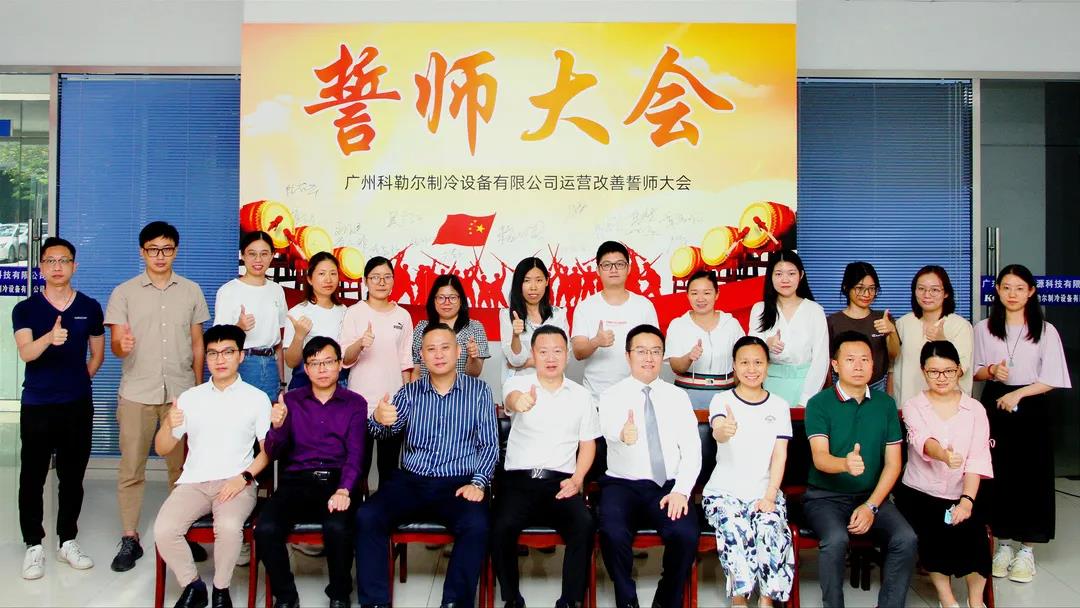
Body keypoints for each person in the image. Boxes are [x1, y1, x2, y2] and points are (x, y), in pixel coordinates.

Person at [355, 323, 499, 608]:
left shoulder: (480, 392)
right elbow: (383, 431)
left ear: (458, 351)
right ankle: (375, 603)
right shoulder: (409, 392)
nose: (439, 354)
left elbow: (489, 445)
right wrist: (379, 419)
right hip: (412, 481)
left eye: (445, 347)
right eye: (431, 349)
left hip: (459, 483)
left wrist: (478, 483)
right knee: (367, 516)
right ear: (421, 355)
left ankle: (455, 602)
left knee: (477, 524)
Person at [104, 220, 210, 572]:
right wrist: (122, 345)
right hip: (137, 392)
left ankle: (181, 532)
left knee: (182, 469)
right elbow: (116, 345)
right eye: (153, 249)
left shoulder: (191, 291)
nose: (160, 256)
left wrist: (199, 389)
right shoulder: (124, 293)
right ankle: (129, 537)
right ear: (142, 252)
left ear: (176, 251)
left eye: (166, 249)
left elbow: (198, 344)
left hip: (180, 394)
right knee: (131, 467)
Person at [151, 324, 271, 608]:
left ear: (241, 355)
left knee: (228, 527)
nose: (220, 359)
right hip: (193, 483)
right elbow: (162, 448)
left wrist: (243, 477)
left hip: (236, 482)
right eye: (213, 353)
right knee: (164, 529)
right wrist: (168, 424)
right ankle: (193, 586)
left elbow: (268, 452)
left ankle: (220, 589)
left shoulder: (256, 398)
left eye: (228, 352)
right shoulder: (191, 398)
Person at [803, 330, 916, 608]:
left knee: (906, 538)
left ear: (873, 364)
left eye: (865, 359)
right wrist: (844, 464)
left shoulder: (885, 404)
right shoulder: (819, 404)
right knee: (836, 539)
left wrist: (871, 506)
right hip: (825, 498)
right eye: (850, 359)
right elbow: (820, 458)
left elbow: (894, 464)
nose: (858, 366)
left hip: (871, 497)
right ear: (835, 365)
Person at [13, 236, 104, 579]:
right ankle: (33, 545)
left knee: (72, 476)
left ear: (73, 266)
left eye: (63, 260)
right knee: (32, 476)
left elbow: (97, 354)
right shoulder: (26, 309)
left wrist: (79, 381)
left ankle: (67, 540)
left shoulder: (90, 307)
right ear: (41, 267)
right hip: (37, 404)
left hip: (77, 405)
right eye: (50, 261)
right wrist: (49, 339)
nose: (57, 267)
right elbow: (26, 353)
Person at [973, 264, 1071, 583]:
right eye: (1006, 287)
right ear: (997, 290)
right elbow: (973, 371)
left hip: (1032, 404)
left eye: (1019, 288)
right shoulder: (983, 328)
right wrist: (991, 371)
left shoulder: (1046, 330)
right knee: (998, 473)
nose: (1012, 294)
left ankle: (1027, 550)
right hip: (995, 403)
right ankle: (1002, 544)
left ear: (1031, 292)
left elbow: (1052, 378)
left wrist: (1018, 393)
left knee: (1032, 475)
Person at [494, 326, 600, 608]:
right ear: (533, 354)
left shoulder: (581, 396)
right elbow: (511, 400)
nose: (550, 358)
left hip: (561, 483)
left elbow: (588, 443)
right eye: (543, 352)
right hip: (519, 481)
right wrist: (520, 402)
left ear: (567, 354)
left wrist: (578, 479)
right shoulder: (518, 384)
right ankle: (512, 598)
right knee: (501, 526)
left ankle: (570, 601)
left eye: (557, 351)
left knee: (584, 524)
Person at [597, 324, 701, 608]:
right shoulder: (611, 395)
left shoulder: (678, 397)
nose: (649, 358)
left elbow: (692, 450)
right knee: (612, 533)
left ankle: (666, 600)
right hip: (622, 484)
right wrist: (623, 434)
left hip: (667, 486)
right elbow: (608, 429)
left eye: (656, 351)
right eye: (641, 351)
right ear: (628, 356)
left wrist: (681, 491)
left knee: (685, 534)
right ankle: (627, 601)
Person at [257, 337, 365, 608]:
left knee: (338, 527)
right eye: (315, 363)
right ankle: (285, 595)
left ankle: (339, 594)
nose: (322, 369)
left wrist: (345, 489)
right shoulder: (291, 401)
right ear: (305, 369)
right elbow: (274, 452)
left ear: (340, 364)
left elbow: (356, 454)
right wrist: (277, 427)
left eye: (328, 362)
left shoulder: (355, 403)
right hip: (296, 481)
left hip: (337, 480)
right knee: (266, 527)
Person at [895, 340, 993, 608]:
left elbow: (977, 459)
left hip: (966, 489)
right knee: (934, 531)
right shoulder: (914, 406)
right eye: (933, 372)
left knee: (974, 533)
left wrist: (967, 501)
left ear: (959, 370)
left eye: (948, 371)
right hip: (921, 491)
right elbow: (922, 441)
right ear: (923, 371)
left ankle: (976, 601)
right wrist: (944, 456)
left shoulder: (975, 409)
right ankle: (946, 597)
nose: (941, 378)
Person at [702, 336, 793, 606]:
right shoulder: (721, 400)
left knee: (770, 526)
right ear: (734, 365)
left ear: (767, 366)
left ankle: (767, 600)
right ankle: (739, 599)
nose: (751, 369)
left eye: (758, 362)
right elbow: (718, 430)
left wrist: (770, 495)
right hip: (723, 493)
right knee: (735, 527)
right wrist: (724, 430)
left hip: (764, 491)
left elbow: (780, 455)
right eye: (744, 363)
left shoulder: (779, 406)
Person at [340, 256, 414, 486]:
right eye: (375, 277)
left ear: (393, 280)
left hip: (392, 404)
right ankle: (354, 507)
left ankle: (385, 508)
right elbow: (345, 358)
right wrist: (360, 343)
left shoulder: (403, 316)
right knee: (358, 466)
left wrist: (406, 400)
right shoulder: (354, 312)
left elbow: (406, 361)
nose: (381, 282)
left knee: (389, 467)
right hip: (360, 403)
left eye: (387, 277)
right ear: (365, 281)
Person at [571, 242, 659, 399]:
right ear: (598, 270)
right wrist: (596, 342)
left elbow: (656, 349)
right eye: (607, 265)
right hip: (596, 397)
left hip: (636, 396)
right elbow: (578, 352)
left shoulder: (644, 306)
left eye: (619, 264)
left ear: (628, 268)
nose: (613, 269)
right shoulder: (585, 307)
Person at [749, 250, 829, 408]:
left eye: (791, 273)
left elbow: (821, 360)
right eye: (778, 274)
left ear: (801, 275)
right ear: (770, 276)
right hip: (767, 386)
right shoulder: (759, 309)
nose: (785, 280)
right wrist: (765, 345)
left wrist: (805, 400)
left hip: (805, 386)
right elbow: (749, 353)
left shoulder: (814, 311)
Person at [214, 231, 287, 401]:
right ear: (242, 255)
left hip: (270, 365)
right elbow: (217, 341)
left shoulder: (276, 290)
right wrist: (238, 328)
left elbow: (278, 342)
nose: (258, 260)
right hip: (242, 364)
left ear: (272, 256)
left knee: (270, 415)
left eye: (264, 254)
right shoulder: (228, 290)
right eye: (252, 254)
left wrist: (282, 382)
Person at [892, 265, 974, 405]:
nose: (927, 294)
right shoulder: (903, 323)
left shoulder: (960, 325)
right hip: (906, 405)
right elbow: (892, 369)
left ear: (946, 293)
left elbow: (961, 370)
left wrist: (942, 342)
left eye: (934, 290)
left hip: (947, 407)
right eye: (921, 289)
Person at [665, 269, 745, 409]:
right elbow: (675, 367)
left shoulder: (731, 324)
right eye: (694, 293)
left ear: (717, 294)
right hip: (687, 394)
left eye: (707, 293)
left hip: (725, 394)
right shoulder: (678, 325)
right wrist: (689, 357)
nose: (700, 298)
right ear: (687, 295)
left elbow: (743, 359)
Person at [825, 261, 898, 393]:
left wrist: (891, 331)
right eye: (860, 288)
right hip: (842, 387)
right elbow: (827, 363)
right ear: (846, 287)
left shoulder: (883, 318)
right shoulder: (833, 322)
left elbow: (894, 355)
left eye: (872, 288)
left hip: (877, 386)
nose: (867, 294)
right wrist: (829, 392)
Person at [282, 251, 347, 390]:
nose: (328, 279)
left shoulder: (344, 311)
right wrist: (299, 336)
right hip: (305, 385)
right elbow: (291, 362)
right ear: (310, 279)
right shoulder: (297, 312)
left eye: (333, 273)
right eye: (322, 274)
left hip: (338, 384)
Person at [499, 257, 569, 381]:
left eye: (539, 280)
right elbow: (515, 361)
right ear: (519, 283)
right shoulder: (507, 315)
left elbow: (565, 357)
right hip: (518, 385)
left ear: (547, 281)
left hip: (551, 383)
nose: (533, 287)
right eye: (526, 281)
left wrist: (527, 363)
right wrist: (516, 336)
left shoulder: (558, 314)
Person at [410, 274, 490, 380]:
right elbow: (416, 372)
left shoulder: (474, 328)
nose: (447, 303)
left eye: (452, 298)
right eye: (441, 298)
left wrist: (472, 357)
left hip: (462, 390)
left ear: (461, 300)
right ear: (434, 300)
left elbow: (474, 373)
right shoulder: (422, 328)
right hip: (426, 390)